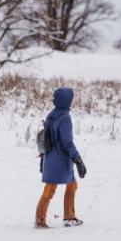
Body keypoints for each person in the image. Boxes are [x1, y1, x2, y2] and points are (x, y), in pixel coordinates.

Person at [35, 87, 87, 228]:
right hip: (60, 160)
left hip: (50, 157)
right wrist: (78, 159)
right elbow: (67, 143)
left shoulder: (51, 114)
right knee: (51, 188)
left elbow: (46, 137)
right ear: (67, 102)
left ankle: (69, 217)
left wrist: (43, 158)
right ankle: (40, 220)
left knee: (70, 185)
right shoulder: (65, 118)